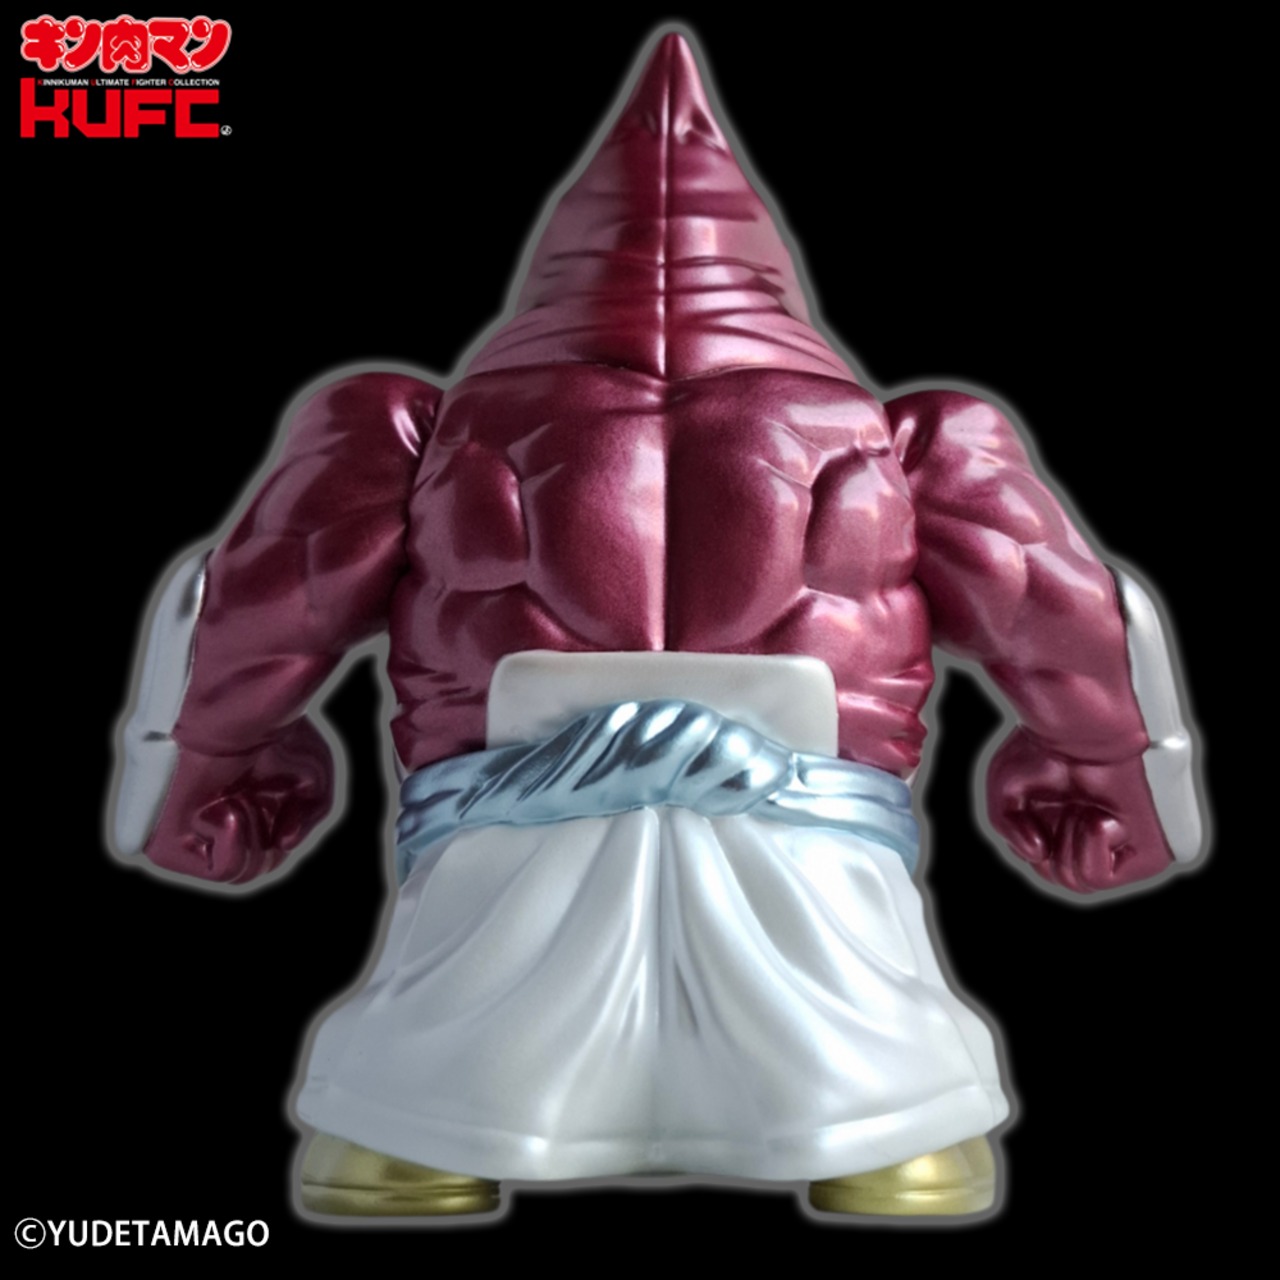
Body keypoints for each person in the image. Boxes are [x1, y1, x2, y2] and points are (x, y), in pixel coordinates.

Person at [110, 33, 1202, 1219]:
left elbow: (252, 615)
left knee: (423, 1100)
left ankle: (414, 1150)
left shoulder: (408, 434)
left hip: (500, 851)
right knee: (878, 1096)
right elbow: (1070, 622)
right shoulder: (909, 446)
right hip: (814, 863)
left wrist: (205, 783)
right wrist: (1112, 789)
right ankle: (886, 1151)